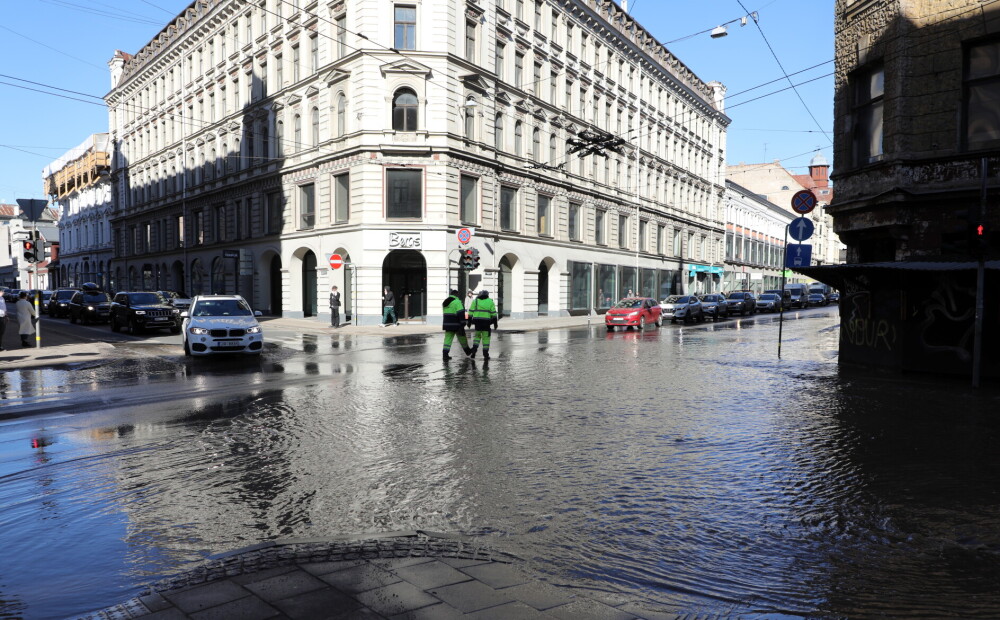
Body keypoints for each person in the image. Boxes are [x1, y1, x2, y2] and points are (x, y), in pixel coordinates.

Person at [467, 289, 498, 359]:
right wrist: (495, 324)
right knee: (486, 338)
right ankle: (485, 354)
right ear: (487, 295)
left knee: (477, 337)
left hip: (477, 323)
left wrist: (469, 322)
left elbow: (470, 312)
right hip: (486, 323)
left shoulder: (475, 301)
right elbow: (494, 314)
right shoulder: (490, 301)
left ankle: (474, 350)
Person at [441, 288, 472, 359]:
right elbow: (461, 313)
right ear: (456, 294)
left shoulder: (445, 302)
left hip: (447, 324)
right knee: (462, 338)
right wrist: (463, 323)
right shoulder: (457, 302)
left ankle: (445, 355)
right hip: (456, 324)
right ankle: (468, 351)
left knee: (447, 340)